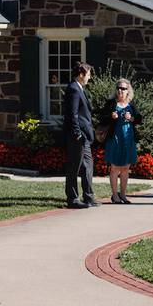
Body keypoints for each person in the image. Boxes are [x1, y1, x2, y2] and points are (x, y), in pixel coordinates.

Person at [101, 78, 142, 204]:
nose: (120, 90)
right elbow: (102, 119)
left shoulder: (131, 105)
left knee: (125, 168)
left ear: (128, 91)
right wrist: (111, 117)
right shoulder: (111, 104)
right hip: (115, 139)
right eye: (118, 88)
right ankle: (115, 195)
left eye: (123, 88)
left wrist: (132, 118)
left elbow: (139, 119)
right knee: (114, 168)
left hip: (128, 139)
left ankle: (123, 195)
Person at [64, 62, 97, 209]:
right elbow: (73, 114)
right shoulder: (73, 89)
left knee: (88, 165)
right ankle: (72, 198)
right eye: (88, 75)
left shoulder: (80, 89)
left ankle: (89, 196)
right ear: (81, 74)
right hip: (78, 136)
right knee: (74, 167)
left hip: (85, 137)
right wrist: (77, 133)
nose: (89, 78)